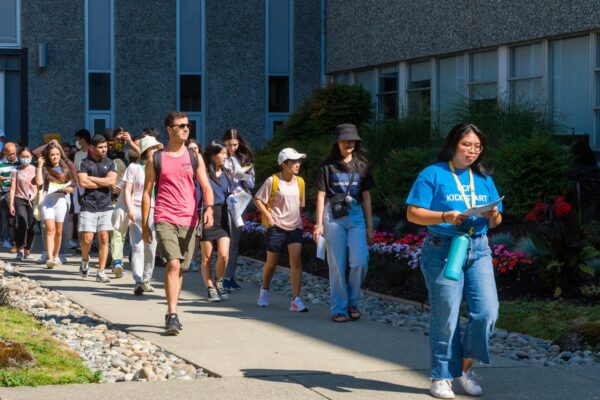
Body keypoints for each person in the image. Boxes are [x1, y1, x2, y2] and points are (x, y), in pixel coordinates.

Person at [406, 122, 502, 399]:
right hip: (442, 250)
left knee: (487, 313)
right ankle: (441, 376)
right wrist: (444, 216)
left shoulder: (483, 178)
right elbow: (413, 214)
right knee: (446, 315)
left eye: (477, 146)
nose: (472, 151)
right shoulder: (432, 174)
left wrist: (493, 214)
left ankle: (463, 367)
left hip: (478, 249)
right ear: (453, 144)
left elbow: (497, 220)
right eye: (467, 145)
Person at [142, 111, 214, 336]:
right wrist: (145, 224)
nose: (185, 128)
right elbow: (146, 193)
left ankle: (172, 311)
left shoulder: (194, 156)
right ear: (169, 129)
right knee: (173, 264)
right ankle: (172, 314)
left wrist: (209, 208)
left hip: (189, 218)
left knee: (180, 267)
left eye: (188, 125)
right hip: (165, 216)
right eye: (180, 125)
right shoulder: (156, 158)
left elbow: (206, 185)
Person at [313, 124, 374, 323]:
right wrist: (319, 223)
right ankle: (339, 307)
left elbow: (366, 197)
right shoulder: (326, 165)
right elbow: (321, 195)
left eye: (352, 140)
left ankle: (352, 302)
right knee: (337, 264)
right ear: (337, 142)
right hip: (333, 214)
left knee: (359, 261)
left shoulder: (362, 164)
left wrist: (370, 226)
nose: (349, 143)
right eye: (345, 139)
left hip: (356, 214)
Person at [254, 148, 309, 312]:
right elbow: (257, 199)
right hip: (276, 226)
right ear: (284, 164)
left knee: (297, 261)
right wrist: (269, 217)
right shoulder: (273, 180)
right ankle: (264, 290)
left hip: (295, 227)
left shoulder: (300, 182)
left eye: (299, 161)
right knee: (271, 263)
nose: (298, 164)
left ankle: (295, 300)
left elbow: (300, 205)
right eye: (294, 161)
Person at [124, 136, 163, 295]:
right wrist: (130, 209)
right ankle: (138, 280)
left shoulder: (160, 168)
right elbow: (127, 190)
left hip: (154, 209)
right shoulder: (134, 167)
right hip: (137, 208)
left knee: (151, 247)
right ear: (147, 151)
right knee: (137, 247)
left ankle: (146, 278)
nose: (157, 152)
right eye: (154, 149)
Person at [77, 134, 118, 282]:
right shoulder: (84, 163)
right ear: (92, 148)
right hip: (88, 204)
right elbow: (83, 183)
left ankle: (100, 272)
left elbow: (112, 180)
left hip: (106, 205)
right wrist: (104, 182)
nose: (104, 150)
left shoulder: (111, 163)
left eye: (105, 147)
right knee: (87, 239)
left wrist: (92, 178)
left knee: (104, 238)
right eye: (100, 147)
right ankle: (85, 260)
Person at [222, 128, 255, 292]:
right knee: (224, 240)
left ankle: (229, 276)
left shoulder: (244, 158)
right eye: (228, 145)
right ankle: (222, 276)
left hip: (240, 202)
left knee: (234, 241)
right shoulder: (221, 157)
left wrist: (243, 177)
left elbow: (252, 184)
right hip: (224, 201)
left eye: (234, 144)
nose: (231, 148)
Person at [35, 140, 77, 269]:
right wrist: (39, 166)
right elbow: (38, 183)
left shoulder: (65, 168)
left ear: (60, 155)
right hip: (48, 200)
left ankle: (57, 255)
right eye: (52, 154)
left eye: (57, 154)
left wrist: (63, 188)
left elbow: (72, 188)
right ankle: (49, 258)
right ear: (48, 156)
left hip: (61, 200)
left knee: (59, 231)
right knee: (49, 229)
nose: (55, 157)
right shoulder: (45, 168)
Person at [199, 140, 232, 302]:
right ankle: (210, 287)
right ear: (213, 155)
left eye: (226, 153)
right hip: (207, 214)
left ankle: (218, 281)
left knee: (224, 255)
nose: (226, 156)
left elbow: (232, 193)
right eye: (223, 153)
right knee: (207, 256)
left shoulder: (228, 173)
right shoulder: (203, 173)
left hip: (224, 216)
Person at [8, 147, 37, 260]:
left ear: (31, 157)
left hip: (33, 200)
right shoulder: (16, 170)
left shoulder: (35, 169)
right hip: (19, 199)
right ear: (19, 157)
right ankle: (20, 249)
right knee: (22, 222)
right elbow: (12, 188)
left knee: (31, 225)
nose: (25, 159)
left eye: (27, 157)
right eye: (23, 157)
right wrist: (11, 204)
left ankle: (27, 250)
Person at [185, 138, 202, 272]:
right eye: (190, 149)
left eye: (195, 148)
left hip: (199, 205)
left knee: (196, 234)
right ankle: (184, 259)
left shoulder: (202, 166)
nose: (193, 151)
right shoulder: (183, 165)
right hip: (184, 204)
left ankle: (193, 260)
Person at [0, 142, 20, 252]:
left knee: (18, 220)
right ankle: (11, 242)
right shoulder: (0, 164)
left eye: (14, 153)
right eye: (10, 154)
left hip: (20, 194)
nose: (12, 156)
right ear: (4, 153)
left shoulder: (21, 162)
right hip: (5, 195)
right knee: (9, 220)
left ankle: (19, 243)